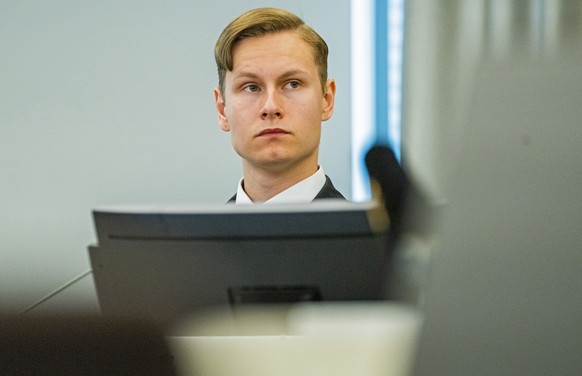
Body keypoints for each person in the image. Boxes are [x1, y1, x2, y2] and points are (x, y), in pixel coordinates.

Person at [213, 7, 346, 204]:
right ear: (222, 110)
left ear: (326, 100)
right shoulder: (195, 235)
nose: (271, 107)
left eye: (292, 84)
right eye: (251, 87)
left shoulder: (374, 234)